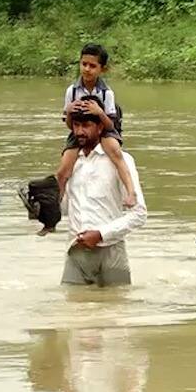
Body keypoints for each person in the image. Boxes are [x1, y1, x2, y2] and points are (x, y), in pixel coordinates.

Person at [61, 95, 147, 287]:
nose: (79, 132)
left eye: (86, 126)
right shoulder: (70, 162)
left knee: (116, 311)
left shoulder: (122, 161)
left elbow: (139, 214)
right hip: (77, 251)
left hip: (112, 251)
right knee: (68, 313)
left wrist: (100, 234)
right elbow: (64, 208)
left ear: (101, 127)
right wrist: (41, 208)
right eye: (75, 125)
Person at [58, 44, 136, 208]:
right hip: (79, 130)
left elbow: (110, 125)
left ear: (102, 69)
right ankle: (55, 203)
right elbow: (69, 125)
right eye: (84, 64)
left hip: (103, 130)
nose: (87, 69)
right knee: (63, 168)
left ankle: (130, 192)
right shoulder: (72, 91)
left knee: (115, 153)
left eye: (92, 66)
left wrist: (99, 113)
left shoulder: (107, 93)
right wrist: (71, 113)